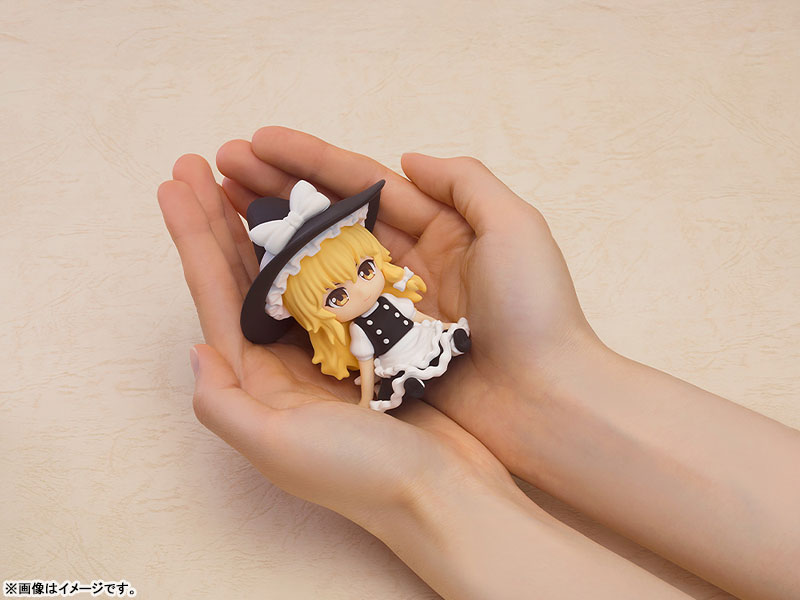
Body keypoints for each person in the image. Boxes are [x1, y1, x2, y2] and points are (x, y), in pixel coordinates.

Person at [157, 126, 800, 600]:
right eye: (333, 296)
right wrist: (393, 442)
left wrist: (553, 374)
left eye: (363, 268)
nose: (358, 288)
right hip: (402, 364)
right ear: (316, 315)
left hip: (430, 342)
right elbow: (368, 367)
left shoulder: (402, 297)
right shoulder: (356, 340)